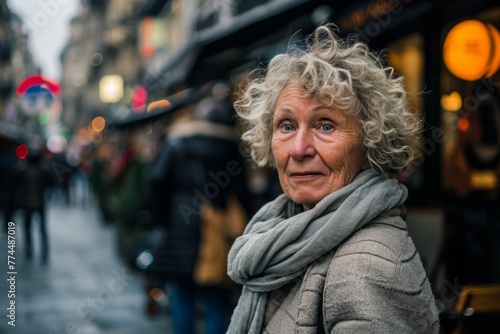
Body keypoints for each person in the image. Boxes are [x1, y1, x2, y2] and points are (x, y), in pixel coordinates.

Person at [226, 24, 439, 333]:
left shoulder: (365, 267)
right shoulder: (283, 233)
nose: (299, 149)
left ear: (370, 144)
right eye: (286, 126)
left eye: (325, 125)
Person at [145, 83, 251, 334]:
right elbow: (242, 191)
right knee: (217, 298)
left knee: (183, 296)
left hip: (180, 224)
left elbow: (157, 181)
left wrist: (160, 221)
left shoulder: (176, 144)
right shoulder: (230, 148)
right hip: (218, 229)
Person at [15, 149, 54, 261]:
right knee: (42, 228)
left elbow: (15, 180)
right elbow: (51, 181)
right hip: (40, 202)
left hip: (27, 203)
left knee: (27, 227)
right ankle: (44, 251)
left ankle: (29, 249)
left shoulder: (24, 171)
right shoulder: (43, 171)